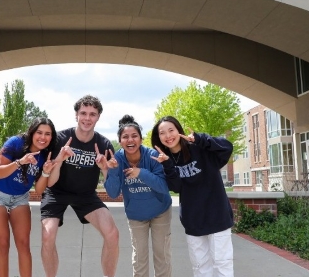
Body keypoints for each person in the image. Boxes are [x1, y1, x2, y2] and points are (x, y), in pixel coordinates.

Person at [40, 94, 119, 277]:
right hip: (57, 192)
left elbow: (112, 189)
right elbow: (50, 182)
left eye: (92, 114)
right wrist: (60, 159)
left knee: (112, 234)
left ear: (98, 117)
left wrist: (105, 169)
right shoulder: (60, 139)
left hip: (86, 195)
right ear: (76, 115)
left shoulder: (104, 144)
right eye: (83, 113)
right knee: (47, 236)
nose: (87, 118)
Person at [151, 116, 234, 277]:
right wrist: (167, 164)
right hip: (193, 219)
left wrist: (201, 139)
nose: (168, 136)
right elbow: (176, 187)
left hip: (217, 215)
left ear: (179, 130)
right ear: (158, 137)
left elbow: (227, 148)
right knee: (200, 267)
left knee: (222, 264)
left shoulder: (199, 148)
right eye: (162, 133)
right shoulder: (164, 160)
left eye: (171, 130)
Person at [0, 117, 58, 277]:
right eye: (39, 132)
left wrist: (46, 172)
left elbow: (39, 190)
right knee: (3, 243)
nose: (43, 137)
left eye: (47, 134)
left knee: (23, 244)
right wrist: (20, 162)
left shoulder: (45, 155)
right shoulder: (16, 142)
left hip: (20, 198)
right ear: (32, 132)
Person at [104, 115, 172, 277]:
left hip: (161, 211)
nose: (130, 140)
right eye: (125, 137)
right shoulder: (117, 160)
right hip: (136, 215)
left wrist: (141, 173)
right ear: (120, 141)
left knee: (162, 256)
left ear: (141, 139)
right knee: (139, 259)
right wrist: (112, 170)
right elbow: (113, 193)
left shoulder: (152, 156)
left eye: (134, 136)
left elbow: (164, 187)